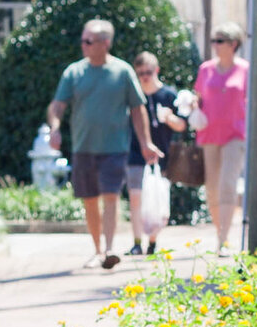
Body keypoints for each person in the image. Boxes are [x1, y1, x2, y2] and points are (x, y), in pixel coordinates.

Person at [47, 20, 157, 271]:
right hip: (83, 147)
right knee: (89, 199)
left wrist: (145, 142)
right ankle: (97, 250)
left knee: (110, 195)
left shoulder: (123, 71)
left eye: (89, 41)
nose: (83, 45)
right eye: (83, 40)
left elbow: (138, 109)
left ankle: (109, 249)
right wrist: (55, 128)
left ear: (105, 43)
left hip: (115, 148)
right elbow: (57, 105)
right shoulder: (74, 72)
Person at [192, 25, 247, 253]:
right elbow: (198, 97)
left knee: (228, 184)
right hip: (209, 133)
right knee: (212, 188)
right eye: (213, 40)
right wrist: (193, 107)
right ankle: (219, 232)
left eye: (220, 40)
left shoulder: (245, 70)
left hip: (235, 134)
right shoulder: (205, 69)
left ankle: (223, 239)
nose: (215, 45)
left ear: (233, 44)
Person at [129, 51, 185, 258]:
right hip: (135, 154)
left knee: (159, 201)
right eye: (141, 73)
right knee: (136, 197)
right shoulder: (133, 96)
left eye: (148, 72)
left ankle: (152, 241)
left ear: (157, 71)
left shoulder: (168, 95)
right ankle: (136, 243)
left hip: (162, 157)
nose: (145, 76)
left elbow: (182, 126)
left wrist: (169, 118)